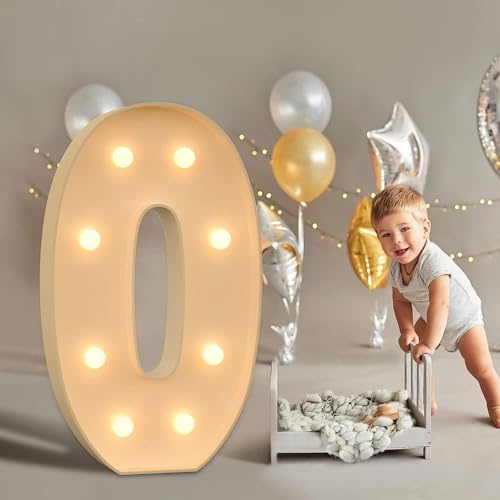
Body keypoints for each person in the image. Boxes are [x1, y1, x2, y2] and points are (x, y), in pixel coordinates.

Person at [371, 184, 500, 428]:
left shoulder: (433, 262)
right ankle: (427, 402)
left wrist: (429, 343)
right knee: (417, 357)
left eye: (404, 229)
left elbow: (441, 303)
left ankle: (496, 405)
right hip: (431, 317)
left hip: (463, 319)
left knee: (480, 367)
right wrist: (407, 329)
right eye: (386, 234)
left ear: (425, 228)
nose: (396, 240)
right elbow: (400, 300)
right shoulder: (396, 266)